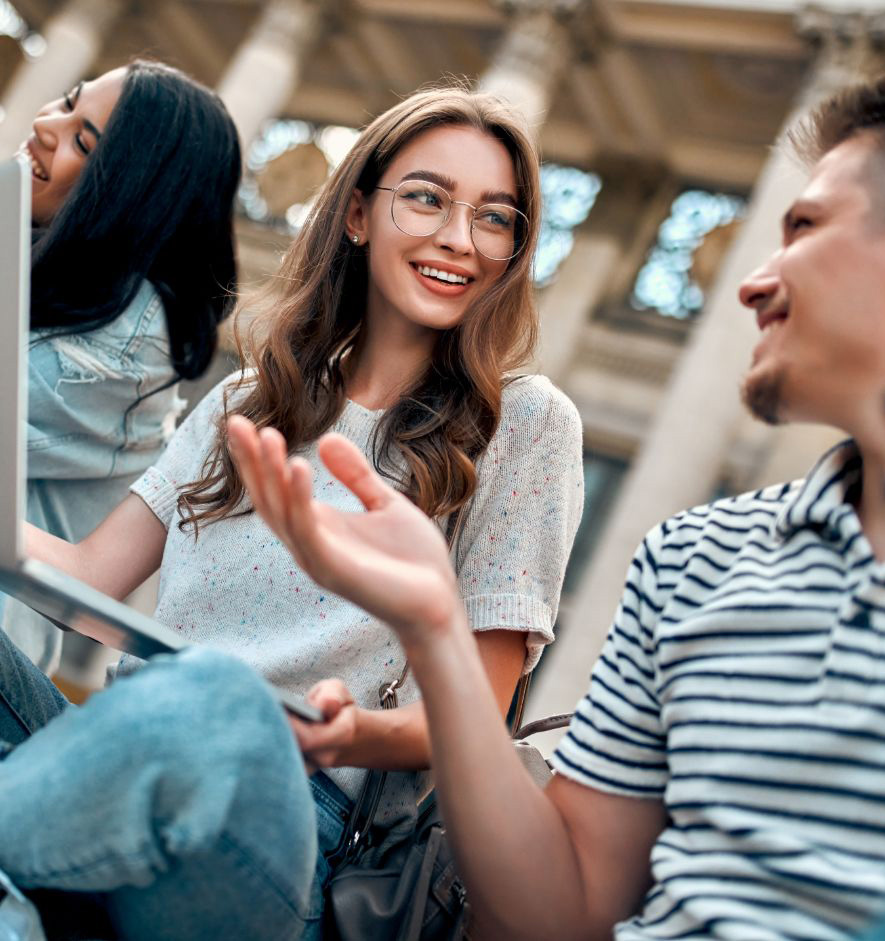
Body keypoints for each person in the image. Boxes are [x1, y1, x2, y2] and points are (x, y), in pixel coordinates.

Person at [226, 70, 885, 941]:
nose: (751, 285)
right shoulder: (693, 558)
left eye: (805, 228)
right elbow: (562, 914)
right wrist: (440, 631)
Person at [7, 85, 583, 938]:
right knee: (190, 687)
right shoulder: (248, 398)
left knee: (217, 692)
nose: (460, 240)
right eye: (427, 198)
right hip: (127, 747)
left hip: (289, 821)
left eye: (496, 219)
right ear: (356, 213)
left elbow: (461, 722)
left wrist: (345, 735)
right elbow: (89, 577)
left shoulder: (526, 425)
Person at [5, 59, 241, 671]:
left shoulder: (127, 334)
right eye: (64, 101)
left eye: (84, 139)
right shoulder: (44, 261)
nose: (43, 124)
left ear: (134, 190)